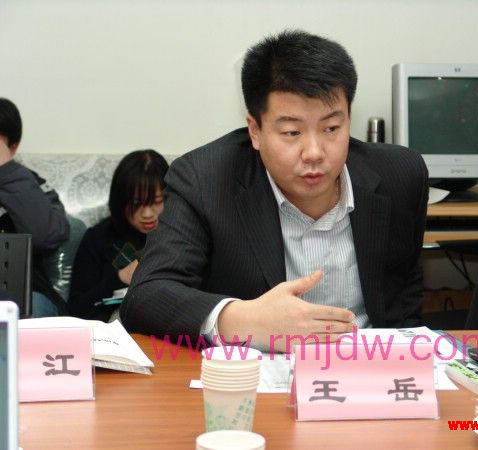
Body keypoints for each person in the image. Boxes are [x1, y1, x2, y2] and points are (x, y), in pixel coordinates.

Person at [121, 30, 428, 351]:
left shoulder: (400, 176)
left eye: (331, 128)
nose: (314, 152)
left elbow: (404, 306)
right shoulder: (204, 180)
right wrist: (241, 319)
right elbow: (147, 295)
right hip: (259, 369)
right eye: (292, 132)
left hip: (371, 366)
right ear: (255, 131)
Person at [68, 150, 168, 321]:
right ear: (121, 201)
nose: (147, 214)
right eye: (136, 203)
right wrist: (120, 278)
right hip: (113, 329)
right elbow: (76, 309)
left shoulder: (183, 235)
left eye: (156, 202)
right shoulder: (98, 239)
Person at [0, 98, 70, 317]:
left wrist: (6, 171)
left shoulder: (31, 184)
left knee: (33, 306)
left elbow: (48, 235)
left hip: (23, 292)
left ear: (12, 147)